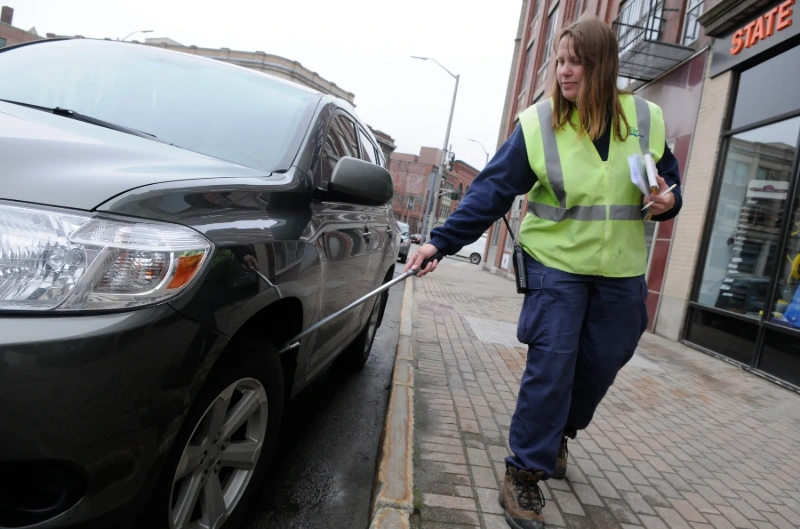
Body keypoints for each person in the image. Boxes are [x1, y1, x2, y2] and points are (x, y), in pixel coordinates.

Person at [405, 16, 682, 529]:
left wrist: (667, 201)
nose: (563, 71)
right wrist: (440, 242)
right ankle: (524, 473)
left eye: (574, 61)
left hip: (620, 272)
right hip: (555, 265)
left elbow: (670, 185)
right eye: (558, 60)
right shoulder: (540, 123)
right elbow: (490, 191)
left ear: (602, 66)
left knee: (604, 361)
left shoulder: (645, 118)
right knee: (552, 363)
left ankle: (557, 434)